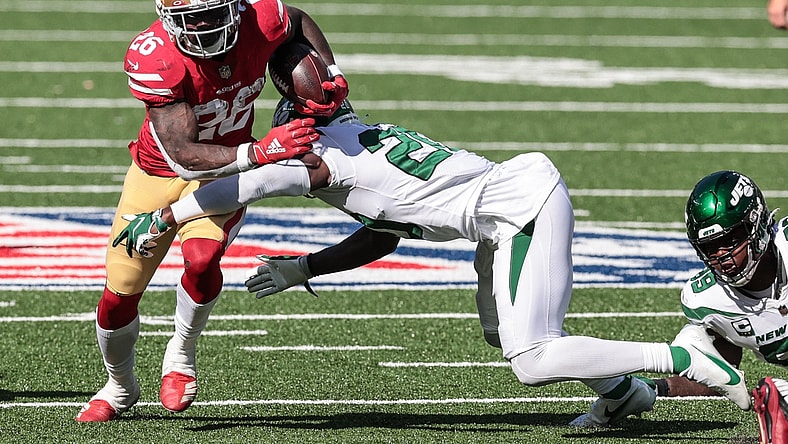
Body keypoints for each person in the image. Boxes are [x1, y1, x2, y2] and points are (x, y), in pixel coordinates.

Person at [115, 99, 753, 427]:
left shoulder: (318, 158)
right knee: (505, 332)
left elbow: (246, 185)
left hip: (518, 207)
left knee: (532, 358)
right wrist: (304, 268)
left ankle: (680, 361)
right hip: (505, 205)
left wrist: (168, 215)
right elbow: (385, 233)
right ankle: (622, 398)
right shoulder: (357, 139)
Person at [76, 0, 348, 423]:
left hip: (223, 176)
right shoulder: (157, 57)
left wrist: (330, 72)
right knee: (118, 295)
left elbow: (296, 19)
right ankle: (120, 385)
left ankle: (181, 353)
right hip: (159, 172)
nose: (203, 25)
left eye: (212, 12)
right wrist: (259, 151)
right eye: (191, 17)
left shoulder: (260, 20)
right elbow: (184, 157)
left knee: (202, 258)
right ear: (169, 19)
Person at [633, 171, 787, 422]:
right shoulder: (707, 300)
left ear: (756, 224)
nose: (722, 257)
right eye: (711, 248)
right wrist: (657, 387)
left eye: (731, 240)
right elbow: (719, 373)